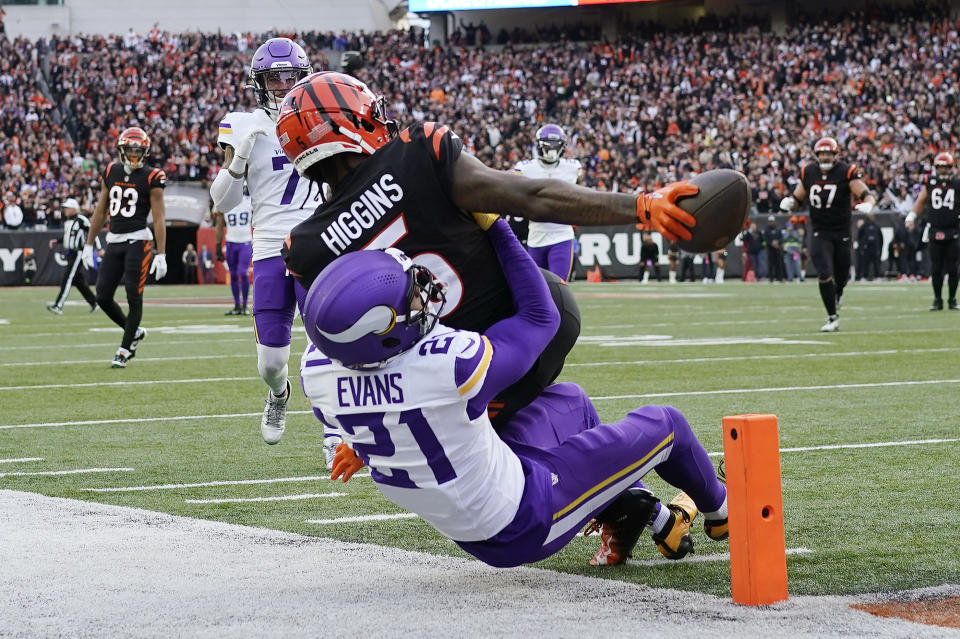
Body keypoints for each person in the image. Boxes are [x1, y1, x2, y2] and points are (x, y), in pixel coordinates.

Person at [277, 72, 705, 558]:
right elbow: (532, 196)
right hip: (522, 323)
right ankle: (645, 511)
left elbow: (342, 350)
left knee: (488, 465)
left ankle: (643, 507)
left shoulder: (306, 248)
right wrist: (640, 206)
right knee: (525, 442)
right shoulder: (419, 151)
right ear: (353, 121)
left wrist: (359, 432)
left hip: (465, 363)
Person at [300, 220, 729, 568]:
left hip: (474, 508)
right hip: (525, 519)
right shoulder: (446, 364)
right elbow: (543, 317)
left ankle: (645, 513)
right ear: (382, 333)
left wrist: (361, 445)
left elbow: (368, 408)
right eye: (409, 298)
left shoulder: (316, 371)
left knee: (570, 402)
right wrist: (495, 225)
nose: (420, 297)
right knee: (667, 425)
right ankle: (722, 512)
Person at [209, 37, 317, 445]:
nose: (284, 84)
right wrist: (239, 156)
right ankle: (279, 393)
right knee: (270, 363)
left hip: (320, 242)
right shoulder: (242, 124)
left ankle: (334, 430)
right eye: (275, 78)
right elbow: (222, 202)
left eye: (290, 76)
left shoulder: (321, 115)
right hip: (270, 245)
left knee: (330, 342)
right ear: (260, 82)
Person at [82, 127, 167, 368]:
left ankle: (124, 349)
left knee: (133, 295)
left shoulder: (153, 176)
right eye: (129, 149)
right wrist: (89, 244)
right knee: (103, 296)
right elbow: (100, 210)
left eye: (137, 150)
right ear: (121, 149)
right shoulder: (111, 170)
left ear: (145, 152)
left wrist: (161, 254)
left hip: (139, 241)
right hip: (114, 239)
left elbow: (159, 218)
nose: (133, 154)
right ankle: (134, 332)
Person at [781, 136, 877, 331]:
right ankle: (832, 317)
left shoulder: (845, 171)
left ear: (835, 155)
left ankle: (839, 291)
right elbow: (799, 196)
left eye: (828, 153)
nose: (825, 157)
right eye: (822, 153)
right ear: (817, 155)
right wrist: (791, 202)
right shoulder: (808, 171)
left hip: (841, 230)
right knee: (824, 272)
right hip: (819, 230)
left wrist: (868, 204)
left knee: (842, 274)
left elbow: (866, 194)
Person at [512, 124, 581, 281]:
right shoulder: (526, 168)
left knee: (558, 287)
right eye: (548, 145)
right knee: (538, 288)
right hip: (535, 236)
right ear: (539, 145)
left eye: (556, 145)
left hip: (561, 235)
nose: (552, 149)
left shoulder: (572, 168)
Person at [908, 151, 960, 310]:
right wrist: (911, 216)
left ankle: (952, 299)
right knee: (936, 268)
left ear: (951, 168)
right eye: (940, 167)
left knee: (953, 268)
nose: (943, 171)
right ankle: (938, 300)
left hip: (953, 230)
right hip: (935, 229)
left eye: (946, 167)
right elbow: (920, 202)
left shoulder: (957, 184)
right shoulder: (930, 183)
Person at [46, 198, 98, 314]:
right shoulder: (68, 221)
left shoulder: (81, 220)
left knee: (67, 279)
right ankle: (94, 303)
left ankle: (58, 305)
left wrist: (98, 248)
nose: (65, 210)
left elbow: (92, 231)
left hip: (78, 253)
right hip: (70, 253)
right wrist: (57, 241)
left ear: (74, 209)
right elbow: (68, 237)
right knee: (79, 282)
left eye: (67, 208)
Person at [214, 190, 253, 315]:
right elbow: (219, 225)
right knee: (233, 275)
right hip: (230, 242)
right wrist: (218, 245)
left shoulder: (250, 201)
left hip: (245, 241)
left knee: (243, 272)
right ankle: (237, 305)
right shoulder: (224, 203)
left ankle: (245, 305)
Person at [763, 215, 784, 282]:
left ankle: (779, 278)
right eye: (770, 221)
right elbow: (765, 239)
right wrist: (771, 243)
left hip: (777, 249)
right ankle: (771, 278)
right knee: (770, 264)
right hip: (770, 249)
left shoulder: (778, 229)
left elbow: (781, 238)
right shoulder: (766, 230)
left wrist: (777, 242)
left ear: (774, 221)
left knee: (778, 263)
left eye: (772, 221)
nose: (771, 222)